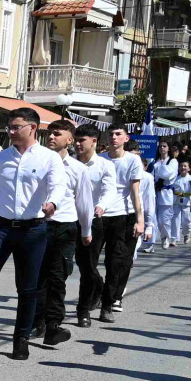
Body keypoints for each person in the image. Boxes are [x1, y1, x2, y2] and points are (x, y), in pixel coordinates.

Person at [0, 108, 72, 361]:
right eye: (9, 127)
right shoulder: (0, 160)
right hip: (0, 228)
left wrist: (52, 203)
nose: (11, 132)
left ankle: (21, 339)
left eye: (16, 127)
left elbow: (59, 186)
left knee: (27, 288)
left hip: (33, 228)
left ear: (32, 128)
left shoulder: (48, 158)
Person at [32, 119, 91, 348]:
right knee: (36, 277)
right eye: (49, 133)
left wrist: (86, 230)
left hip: (65, 226)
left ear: (70, 139)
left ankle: (53, 324)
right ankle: (36, 322)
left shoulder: (78, 169)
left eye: (57, 134)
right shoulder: (38, 163)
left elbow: (84, 203)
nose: (51, 137)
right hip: (38, 225)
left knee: (57, 278)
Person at [68, 125, 119, 327]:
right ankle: (98, 285)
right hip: (68, 219)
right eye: (76, 140)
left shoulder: (105, 166)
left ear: (94, 141)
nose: (78, 144)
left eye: (82, 140)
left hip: (93, 220)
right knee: (69, 265)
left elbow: (110, 191)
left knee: (88, 267)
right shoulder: (69, 164)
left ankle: (83, 310)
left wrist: (101, 206)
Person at [103, 125, 149, 309]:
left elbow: (135, 192)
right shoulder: (100, 159)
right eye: (111, 134)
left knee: (121, 260)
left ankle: (114, 297)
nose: (113, 137)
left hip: (125, 214)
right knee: (91, 262)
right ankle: (101, 289)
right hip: (101, 214)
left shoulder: (133, 160)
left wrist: (141, 220)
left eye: (118, 134)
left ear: (126, 138)